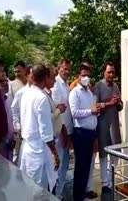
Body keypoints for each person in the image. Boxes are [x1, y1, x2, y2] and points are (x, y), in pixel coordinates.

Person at [19, 64, 59, 192]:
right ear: (46, 77)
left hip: (27, 148)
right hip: (38, 151)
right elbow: (46, 133)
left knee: (28, 189)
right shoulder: (41, 98)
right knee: (39, 191)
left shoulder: (26, 93)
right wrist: (54, 153)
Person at [69, 64, 100, 201]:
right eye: (83, 75)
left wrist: (96, 111)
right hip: (81, 133)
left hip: (90, 134)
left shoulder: (89, 92)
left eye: (88, 75)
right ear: (78, 76)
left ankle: (83, 194)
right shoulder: (75, 92)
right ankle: (78, 197)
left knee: (87, 166)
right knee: (80, 167)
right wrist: (90, 111)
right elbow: (74, 113)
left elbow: (92, 110)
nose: (86, 78)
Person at [94, 62, 123, 193]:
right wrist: (109, 103)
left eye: (113, 72)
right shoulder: (98, 86)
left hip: (115, 124)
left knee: (116, 151)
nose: (111, 74)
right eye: (109, 72)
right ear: (104, 72)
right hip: (103, 124)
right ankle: (105, 183)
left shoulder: (116, 86)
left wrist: (119, 103)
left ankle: (111, 181)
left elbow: (120, 106)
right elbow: (95, 106)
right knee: (104, 153)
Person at [51, 58, 73, 199]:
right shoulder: (56, 85)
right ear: (59, 68)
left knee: (65, 163)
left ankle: (59, 194)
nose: (66, 71)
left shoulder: (66, 84)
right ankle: (55, 194)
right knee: (57, 164)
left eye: (68, 69)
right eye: (64, 69)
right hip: (60, 131)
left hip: (68, 129)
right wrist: (64, 130)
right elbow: (56, 110)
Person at [11, 66, 32, 165]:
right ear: (28, 75)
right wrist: (17, 126)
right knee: (18, 157)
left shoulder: (41, 91)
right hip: (21, 132)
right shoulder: (20, 91)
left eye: (19, 71)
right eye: (15, 72)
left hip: (33, 135)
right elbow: (14, 109)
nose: (17, 74)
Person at [0, 71, 15, 162]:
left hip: (10, 142)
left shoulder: (8, 99)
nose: (6, 84)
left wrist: (13, 137)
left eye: (6, 81)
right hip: (0, 143)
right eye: (2, 82)